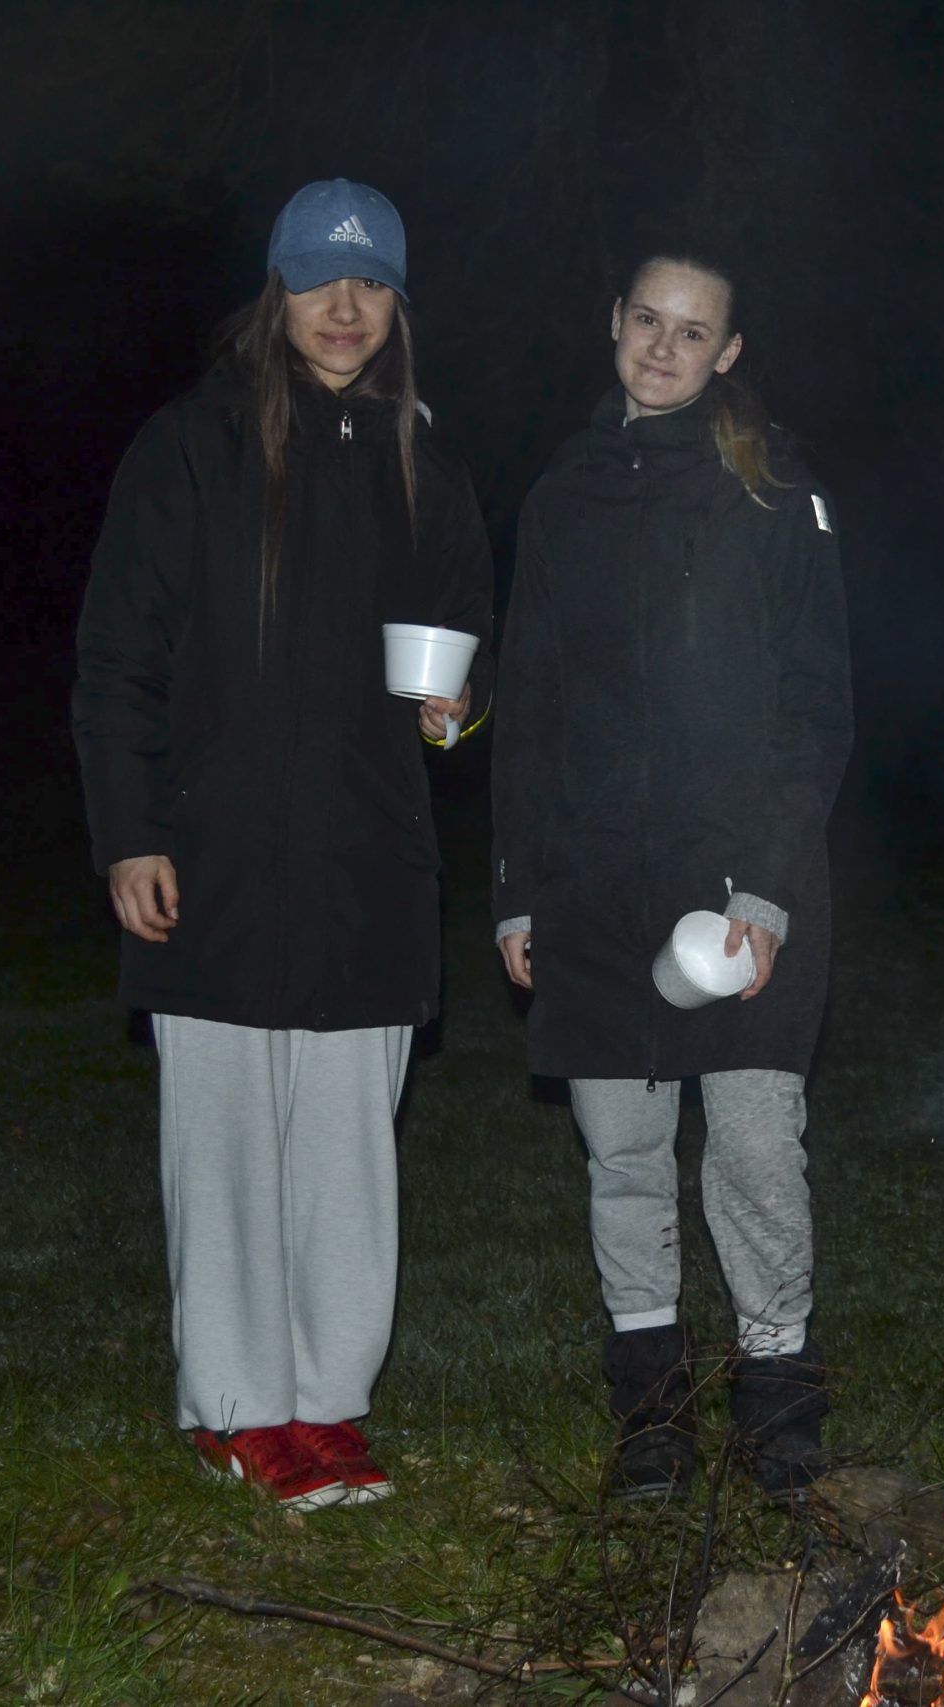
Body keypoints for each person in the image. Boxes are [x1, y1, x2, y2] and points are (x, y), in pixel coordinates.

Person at [72, 179, 492, 1511]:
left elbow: (464, 651)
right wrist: (130, 833)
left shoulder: (425, 461)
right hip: (216, 858)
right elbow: (117, 661)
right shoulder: (189, 446)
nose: (344, 308)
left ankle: (326, 1402)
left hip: (370, 862)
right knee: (227, 1145)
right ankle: (236, 1407)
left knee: (348, 1154)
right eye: (319, 280)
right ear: (277, 291)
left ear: (399, 305)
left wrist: (457, 708)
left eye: (371, 285)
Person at [490, 253, 852, 1501]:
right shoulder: (561, 496)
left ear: (728, 353)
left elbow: (814, 709)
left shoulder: (773, 491)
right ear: (614, 322)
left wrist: (766, 885)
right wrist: (516, 888)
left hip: (743, 877)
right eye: (646, 320)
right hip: (594, 881)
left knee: (752, 1147)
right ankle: (651, 1409)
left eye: (692, 332)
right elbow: (530, 703)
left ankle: (779, 1401)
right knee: (625, 1155)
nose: (662, 347)